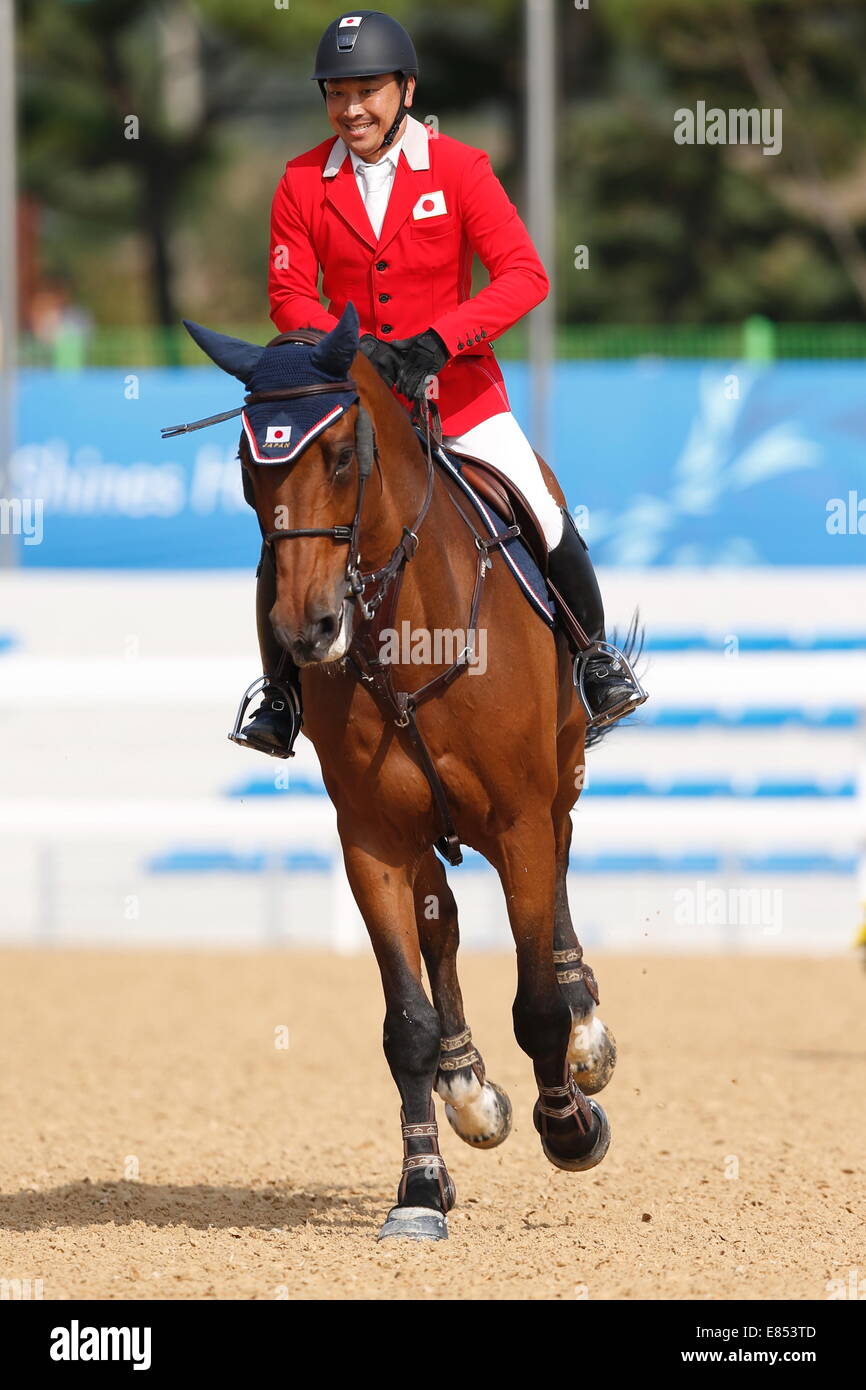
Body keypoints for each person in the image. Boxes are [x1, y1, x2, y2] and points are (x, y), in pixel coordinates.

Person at [234, 9, 644, 758]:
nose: (350, 108)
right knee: (286, 533)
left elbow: (525, 275)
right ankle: (281, 696)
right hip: (351, 407)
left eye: (367, 90)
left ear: (406, 89)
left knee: (544, 513)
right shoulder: (299, 181)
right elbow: (288, 295)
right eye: (336, 93)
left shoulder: (460, 169)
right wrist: (351, 355)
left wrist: (437, 342)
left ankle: (595, 661)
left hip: (459, 398)